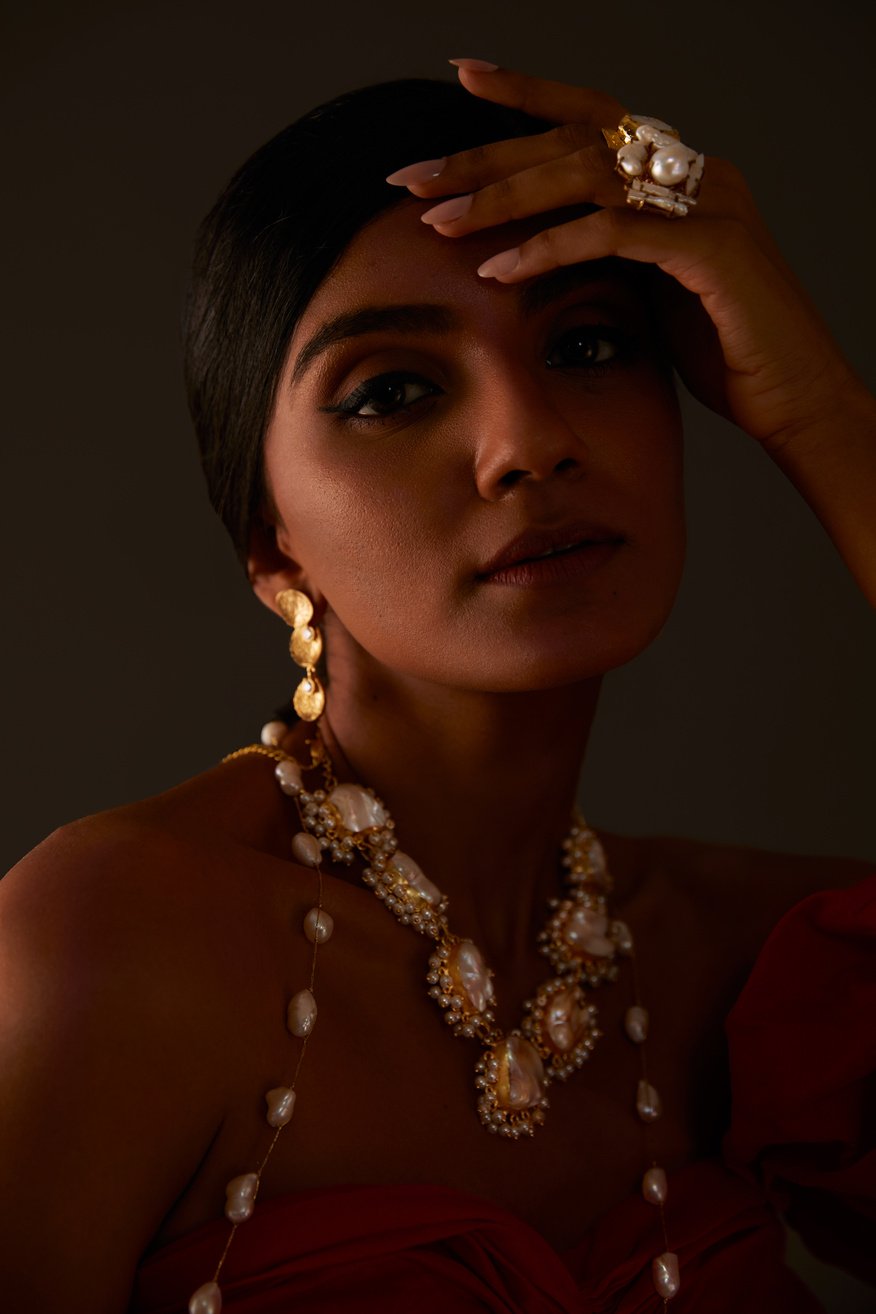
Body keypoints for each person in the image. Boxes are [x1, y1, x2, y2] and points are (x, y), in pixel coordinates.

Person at [1, 61, 874, 1314]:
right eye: (395, 391)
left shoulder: (741, 974)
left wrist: (820, 410)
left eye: (587, 345)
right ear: (271, 544)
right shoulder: (118, 943)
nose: (530, 441)